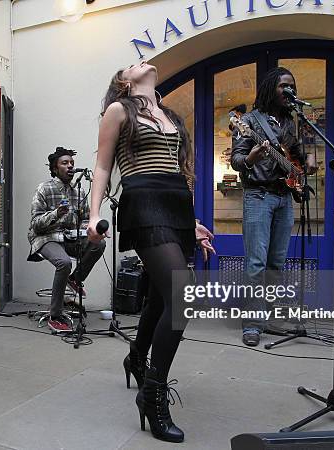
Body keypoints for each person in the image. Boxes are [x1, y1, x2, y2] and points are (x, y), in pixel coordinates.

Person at [87, 61, 215, 443]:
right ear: (125, 82)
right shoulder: (118, 111)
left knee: (162, 297)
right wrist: (93, 215)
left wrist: (191, 222)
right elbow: (101, 164)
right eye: (133, 65)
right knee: (182, 293)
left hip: (176, 202)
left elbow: (178, 168)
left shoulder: (170, 114)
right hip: (142, 202)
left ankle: (137, 357)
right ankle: (153, 394)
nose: (145, 63)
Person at [230, 67, 317, 347]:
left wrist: (306, 165)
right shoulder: (250, 122)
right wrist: (252, 158)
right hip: (259, 196)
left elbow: (299, 157)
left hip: (284, 198)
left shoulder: (291, 123)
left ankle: (270, 317)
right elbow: (236, 160)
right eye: (283, 86)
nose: (287, 90)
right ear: (270, 89)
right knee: (256, 263)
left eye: (291, 86)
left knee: (276, 263)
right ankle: (252, 323)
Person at [27, 147, 106, 333]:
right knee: (63, 262)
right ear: (55, 169)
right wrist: (56, 214)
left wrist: (93, 227)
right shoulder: (45, 188)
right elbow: (36, 223)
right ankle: (55, 316)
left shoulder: (78, 192)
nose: (70, 166)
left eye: (72, 163)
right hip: (45, 237)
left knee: (99, 243)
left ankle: (75, 280)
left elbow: (86, 218)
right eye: (65, 163)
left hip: (69, 237)